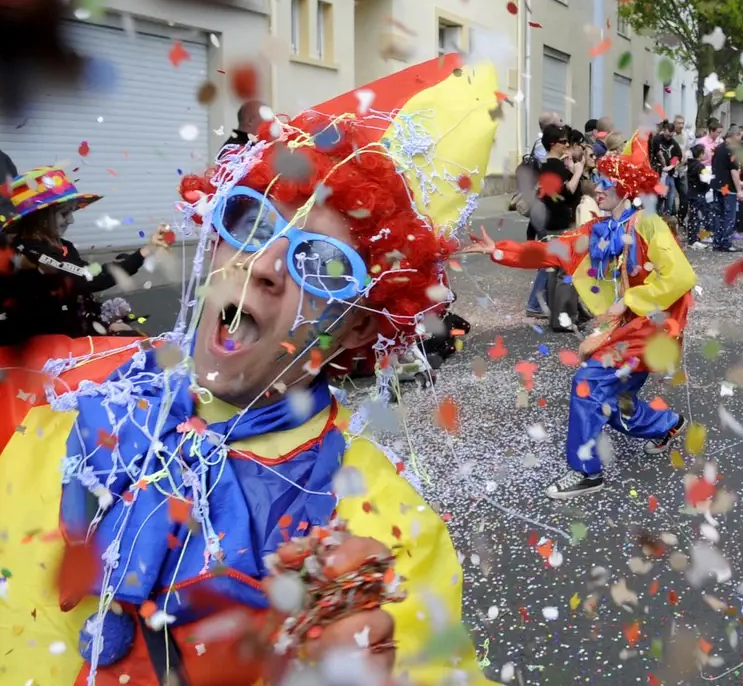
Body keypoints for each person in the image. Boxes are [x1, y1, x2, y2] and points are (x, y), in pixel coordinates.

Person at [0, 55, 498, 685]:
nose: (264, 264)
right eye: (250, 221)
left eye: (321, 261)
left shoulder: (378, 523)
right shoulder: (67, 419)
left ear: (360, 325)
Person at [464, 132, 694, 499]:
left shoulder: (649, 224)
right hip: (629, 326)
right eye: (596, 182)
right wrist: (499, 251)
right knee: (617, 405)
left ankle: (586, 472)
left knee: (588, 382)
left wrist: (629, 301)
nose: (596, 190)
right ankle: (667, 425)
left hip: (652, 325)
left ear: (625, 188)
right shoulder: (600, 230)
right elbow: (551, 251)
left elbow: (681, 277)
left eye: (605, 184)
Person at [0, 166, 170, 344]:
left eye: (71, 212)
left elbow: (80, 290)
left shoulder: (63, 247)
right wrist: (144, 251)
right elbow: (90, 277)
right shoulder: (29, 253)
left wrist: (106, 320)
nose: (71, 220)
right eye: (64, 213)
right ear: (39, 217)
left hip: (72, 336)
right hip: (42, 349)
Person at [528, 124, 586, 329]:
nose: (567, 145)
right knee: (564, 273)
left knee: (556, 271)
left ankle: (562, 316)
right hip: (559, 223)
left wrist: (570, 170)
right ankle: (563, 319)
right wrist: (577, 172)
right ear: (553, 144)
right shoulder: (553, 166)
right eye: (563, 142)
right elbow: (566, 193)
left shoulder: (550, 165)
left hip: (554, 223)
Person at [710, 126, 743, 253]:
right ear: (734, 135)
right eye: (740, 135)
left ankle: (717, 241)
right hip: (728, 187)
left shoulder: (719, 148)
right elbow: (734, 171)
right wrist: (739, 190)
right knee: (729, 215)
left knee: (718, 214)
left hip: (717, 186)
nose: (741, 138)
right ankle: (727, 242)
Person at [650, 120, 683, 217]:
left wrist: (671, 166)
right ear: (664, 130)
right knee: (659, 199)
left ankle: (667, 218)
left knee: (670, 198)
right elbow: (657, 154)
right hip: (659, 175)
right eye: (668, 135)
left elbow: (678, 156)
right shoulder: (657, 140)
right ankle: (657, 217)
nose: (669, 138)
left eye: (671, 136)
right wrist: (662, 167)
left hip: (669, 174)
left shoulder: (674, 143)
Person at [685, 142, 712, 245]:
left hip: (692, 193)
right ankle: (699, 237)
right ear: (700, 154)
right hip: (699, 194)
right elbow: (705, 180)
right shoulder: (700, 166)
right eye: (704, 153)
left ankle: (692, 237)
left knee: (693, 216)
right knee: (702, 216)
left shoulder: (690, 164)